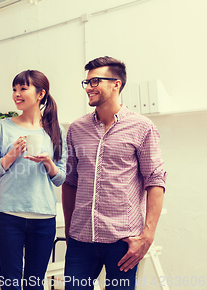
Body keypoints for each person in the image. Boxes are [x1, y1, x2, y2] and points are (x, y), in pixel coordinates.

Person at [62, 56, 167, 289]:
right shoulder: (76, 129)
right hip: (81, 238)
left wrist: (147, 236)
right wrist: (69, 231)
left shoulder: (142, 127)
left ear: (116, 84)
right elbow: (70, 182)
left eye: (95, 81)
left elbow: (155, 181)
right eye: (87, 82)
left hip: (123, 240)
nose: (89, 87)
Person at [0, 70, 67, 290]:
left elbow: (60, 177)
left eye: (23, 89)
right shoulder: (4, 127)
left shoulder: (56, 130)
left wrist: (48, 163)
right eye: (14, 89)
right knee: (10, 284)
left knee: (35, 284)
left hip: (43, 216)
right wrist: (11, 155)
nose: (16, 94)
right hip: (8, 215)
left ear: (40, 94)